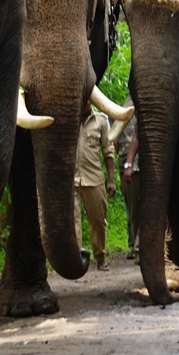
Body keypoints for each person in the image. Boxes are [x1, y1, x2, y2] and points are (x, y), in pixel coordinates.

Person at [74, 100, 116, 271]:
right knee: (73, 220)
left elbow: (108, 150)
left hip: (94, 179)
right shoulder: (70, 120)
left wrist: (111, 180)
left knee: (98, 220)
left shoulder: (101, 120)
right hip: (72, 180)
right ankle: (77, 261)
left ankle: (100, 257)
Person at [116, 106, 140, 262]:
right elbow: (115, 144)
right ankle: (136, 247)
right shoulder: (121, 117)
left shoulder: (147, 115)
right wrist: (127, 165)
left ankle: (140, 248)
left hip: (147, 167)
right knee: (134, 211)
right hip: (129, 170)